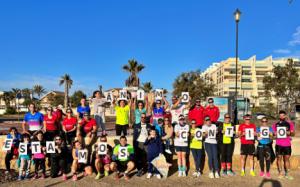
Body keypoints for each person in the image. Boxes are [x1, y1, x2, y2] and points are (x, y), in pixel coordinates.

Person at [272, 110, 295, 180]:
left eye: (283, 115)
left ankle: (287, 173)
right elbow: (273, 135)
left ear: (285, 116)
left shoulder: (289, 124)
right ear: (279, 116)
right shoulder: (275, 125)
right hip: (279, 144)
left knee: (287, 159)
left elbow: (293, 134)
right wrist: (274, 134)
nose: (281, 116)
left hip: (287, 144)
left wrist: (289, 133)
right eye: (280, 115)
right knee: (279, 158)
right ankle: (280, 173)